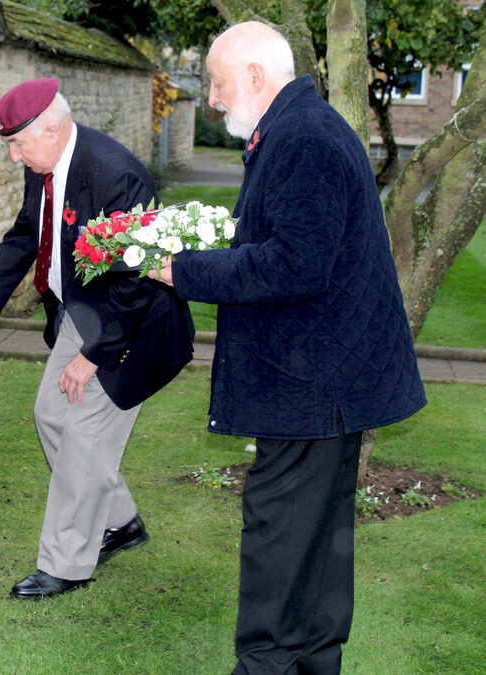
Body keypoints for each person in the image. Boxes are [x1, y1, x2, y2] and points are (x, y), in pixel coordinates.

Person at [150, 22, 427, 674]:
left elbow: (293, 265)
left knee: (280, 543)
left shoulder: (304, 140)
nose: (212, 98)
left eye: (216, 83)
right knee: (314, 549)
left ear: (254, 76)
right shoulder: (300, 130)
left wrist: (183, 271)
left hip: (311, 388)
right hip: (324, 388)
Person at [0, 78, 195, 600]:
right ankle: (121, 522)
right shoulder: (46, 166)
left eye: (18, 144)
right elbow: (24, 234)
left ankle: (66, 562)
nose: (13, 157)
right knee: (50, 414)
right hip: (85, 312)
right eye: (9, 144)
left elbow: (136, 279)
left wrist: (94, 358)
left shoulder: (115, 175)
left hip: (134, 326)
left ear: (52, 130)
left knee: (82, 434)